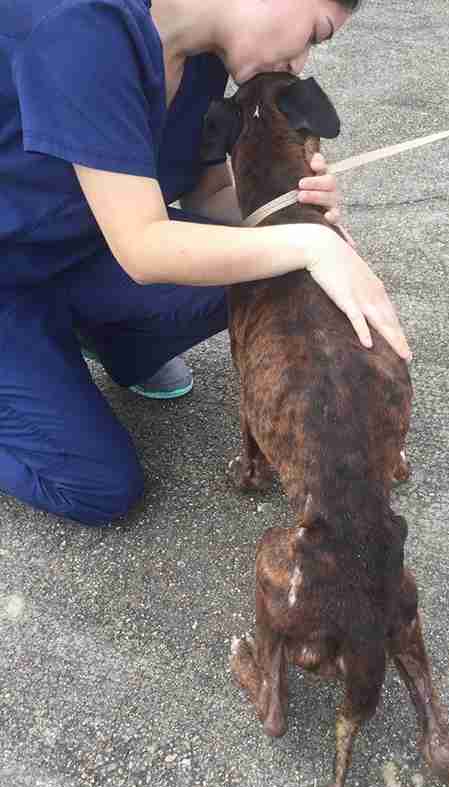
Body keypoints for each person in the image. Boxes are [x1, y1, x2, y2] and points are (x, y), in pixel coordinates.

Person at [0, 0, 411, 527]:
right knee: (97, 486)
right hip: (19, 273)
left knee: (272, 270)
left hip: (79, 246)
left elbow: (208, 192)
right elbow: (143, 246)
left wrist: (291, 207)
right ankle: (45, 355)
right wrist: (312, 244)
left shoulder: (203, 58)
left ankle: (105, 341)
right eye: (315, 33)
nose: (300, 62)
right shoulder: (82, 25)